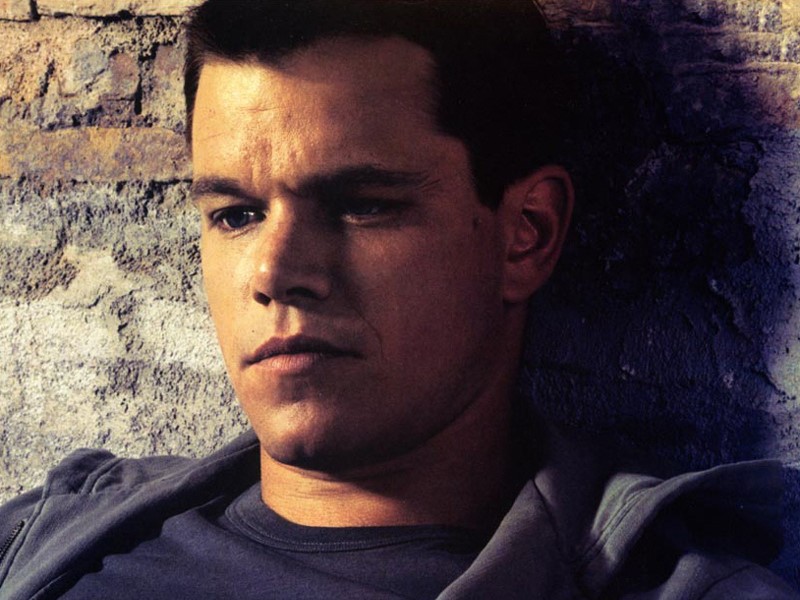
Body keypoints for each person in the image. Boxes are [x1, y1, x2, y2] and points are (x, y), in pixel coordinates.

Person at [0, 1, 797, 598]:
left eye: (361, 205)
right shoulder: (45, 537)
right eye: (235, 214)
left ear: (525, 235)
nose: (274, 271)